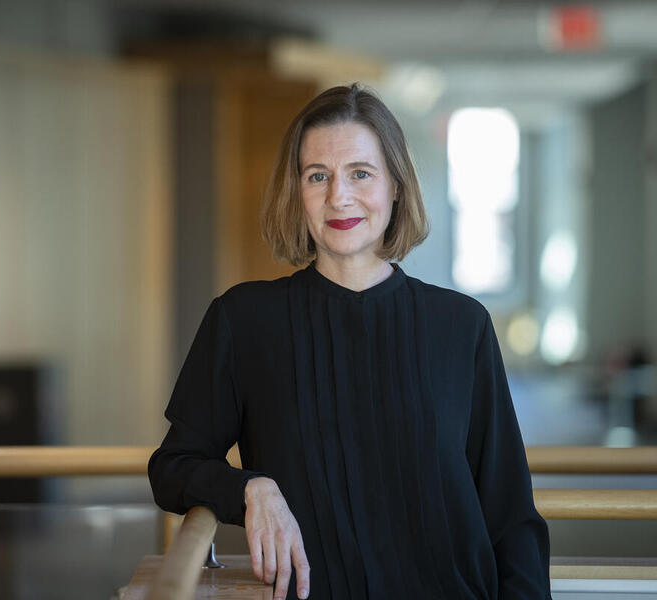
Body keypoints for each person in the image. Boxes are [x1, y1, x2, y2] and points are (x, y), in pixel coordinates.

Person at [148, 83, 552, 599]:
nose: (339, 196)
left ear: (396, 186)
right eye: (318, 176)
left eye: (361, 173)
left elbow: (509, 515)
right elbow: (172, 468)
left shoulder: (462, 325)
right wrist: (250, 488)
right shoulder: (244, 319)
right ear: (297, 192)